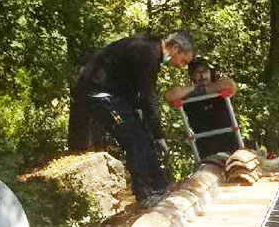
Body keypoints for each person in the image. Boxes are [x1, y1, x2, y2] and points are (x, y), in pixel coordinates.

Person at [74, 30, 195, 205]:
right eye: (183, 60)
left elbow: (134, 88)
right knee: (134, 138)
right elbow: (148, 96)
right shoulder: (148, 53)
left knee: (143, 134)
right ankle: (144, 194)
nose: (181, 66)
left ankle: (161, 185)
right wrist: (159, 134)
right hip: (99, 93)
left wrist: (150, 127)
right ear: (175, 48)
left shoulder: (149, 49)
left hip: (116, 94)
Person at [165, 55, 237, 105]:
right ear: (192, 75)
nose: (202, 76)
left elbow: (230, 85)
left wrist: (201, 90)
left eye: (205, 71)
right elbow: (170, 96)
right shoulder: (188, 92)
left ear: (210, 72)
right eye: (198, 73)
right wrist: (195, 88)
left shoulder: (219, 86)